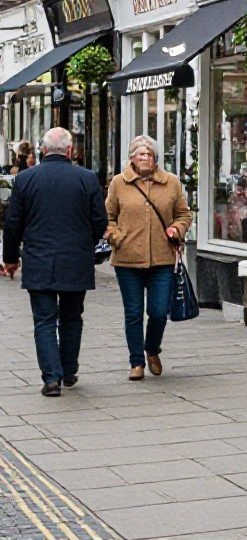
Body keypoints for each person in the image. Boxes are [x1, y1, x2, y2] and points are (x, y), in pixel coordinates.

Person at [1, 127, 107, 397]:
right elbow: (100, 221)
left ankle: (51, 378)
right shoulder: (87, 178)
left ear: (43, 150)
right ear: (70, 151)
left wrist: (10, 259)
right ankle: (69, 370)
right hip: (76, 259)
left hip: (39, 259)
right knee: (72, 317)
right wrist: (87, 245)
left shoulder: (25, 179)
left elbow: (13, 223)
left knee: (44, 320)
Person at [106, 135, 192, 381]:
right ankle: (136, 362)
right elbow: (107, 216)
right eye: (140, 154)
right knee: (133, 313)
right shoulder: (118, 183)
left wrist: (177, 229)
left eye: (149, 154)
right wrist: (116, 237)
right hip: (127, 260)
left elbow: (184, 215)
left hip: (163, 259)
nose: (145, 158)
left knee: (158, 310)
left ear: (156, 158)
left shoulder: (171, 183)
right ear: (131, 158)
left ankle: (152, 348)